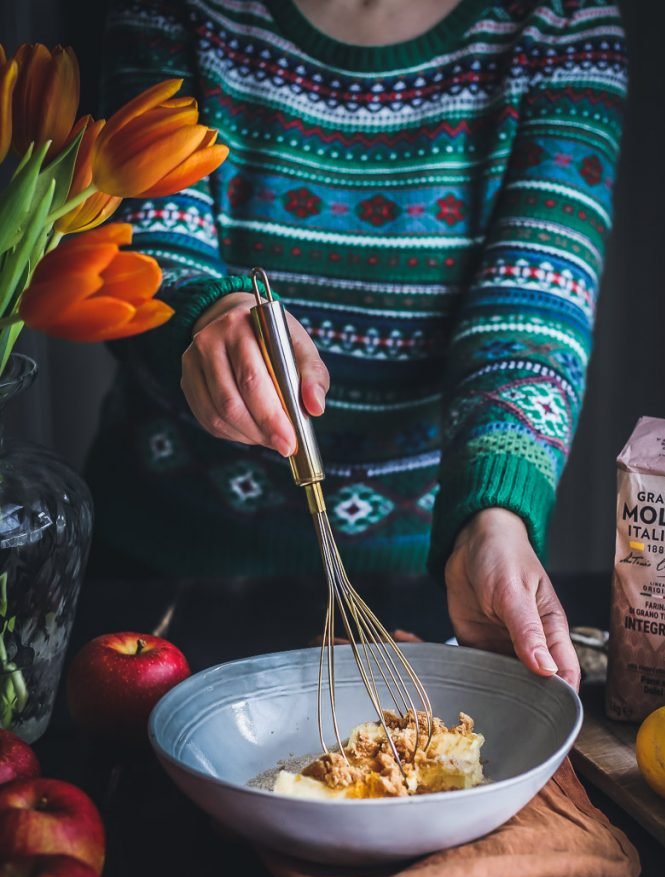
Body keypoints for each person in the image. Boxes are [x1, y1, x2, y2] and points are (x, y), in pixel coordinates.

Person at [85, 0, 627, 689]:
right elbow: (146, 236)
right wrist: (207, 310)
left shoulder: (561, 21)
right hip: (158, 570)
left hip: (428, 583)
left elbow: (532, 311)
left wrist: (491, 518)